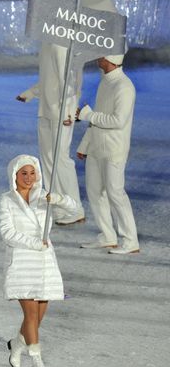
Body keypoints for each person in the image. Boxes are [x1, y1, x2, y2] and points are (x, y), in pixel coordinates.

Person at [16, 0, 131, 226]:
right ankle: (60, 205)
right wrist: (30, 93)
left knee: (60, 158)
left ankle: (72, 207)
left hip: (62, 106)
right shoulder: (50, 40)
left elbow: (69, 79)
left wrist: (70, 111)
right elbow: (50, 77)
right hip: (48, 106)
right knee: (50, 159)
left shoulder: (68, 43)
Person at [0, 155, 76, 367]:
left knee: (38, 317)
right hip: (22, 262)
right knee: (31, 315)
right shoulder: (6, 201)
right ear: (15, 175)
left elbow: (74, 209)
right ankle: (36, 360)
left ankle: (17, 344)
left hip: (44, 264)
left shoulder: (44, 198)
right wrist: (34, 243)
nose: (29, 178)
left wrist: (59, 199)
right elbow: (8, 233)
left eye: (32, 173)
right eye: (24, 173)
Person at [76, 54, 139, 254]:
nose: (98, 58)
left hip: (114, 150)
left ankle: (131, 241)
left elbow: (118, 121)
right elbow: (99, 117)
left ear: (111, 60)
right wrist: (85, 144)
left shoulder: (124, 87)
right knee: (95, 192)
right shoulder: (106, 82)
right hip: (96, 148)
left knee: (115, 193)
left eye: (102, 56)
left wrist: (87, 115)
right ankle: (107, 236)